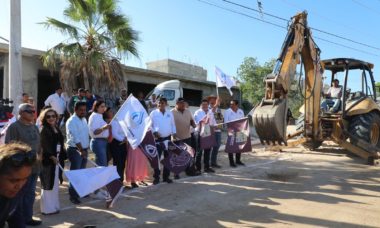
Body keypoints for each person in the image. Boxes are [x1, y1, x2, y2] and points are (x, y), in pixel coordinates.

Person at [5, 103, 41, 226]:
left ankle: (28, 217)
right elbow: (10, 147)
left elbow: (39, 145)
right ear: (21, 113)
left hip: (35, 166)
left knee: (30, 194)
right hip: (21, 169)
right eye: (29, 111)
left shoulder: (34, 127)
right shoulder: (14, 127)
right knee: (18, 195)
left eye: (34, 111)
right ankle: (18, 221)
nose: (33, 113)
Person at [0, 143, 36, 228]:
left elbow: (15, 215)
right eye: (13, 180)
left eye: (25, 178)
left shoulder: (19, 189)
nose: (20, 186)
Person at [39, 108, 66, 215]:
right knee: (47, 184)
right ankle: (47, 209)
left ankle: (54, 207)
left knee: (54, 184)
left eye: (53, 116)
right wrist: (51, 156)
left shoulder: (56, 128)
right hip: (48, 161)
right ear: (44, 118)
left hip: (57, 158)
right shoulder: (44, 129)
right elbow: (44, 145)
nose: (51, 118)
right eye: (48, 116)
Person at [65, 101, 89, 204]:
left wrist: (85, 150)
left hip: (84, 149)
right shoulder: (71, 121)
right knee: (75, 173)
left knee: (82, 173)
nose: (83, 112)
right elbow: (75, 137)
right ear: (75, 110)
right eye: (81, 110)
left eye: (84, 110)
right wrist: (81, 150)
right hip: (76, 150)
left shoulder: (84, 120)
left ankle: (81, 191)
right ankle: (73, 195)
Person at [150, 97, 176, 185]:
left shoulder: (169, 113)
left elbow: (173, 124)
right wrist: (154, 132)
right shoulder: (153, 113)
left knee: (168, 158)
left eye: (162, 103)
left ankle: (166, 177)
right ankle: (156, 177)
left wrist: (174, 133)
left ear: (166, 104)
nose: (160, 104)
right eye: (159, 103)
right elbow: (149, 125)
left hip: (168, 138)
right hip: (158, 139)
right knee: (157, 159)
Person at [171, 98, 200, 178]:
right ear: (176, 103)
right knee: (176, 156)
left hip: (187, 137)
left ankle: (190, 171)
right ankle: (176, 173)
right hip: (176, 138)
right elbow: (169, 124)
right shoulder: (171, 113)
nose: (183, 105)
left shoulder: (187, 111)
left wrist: (193, 124)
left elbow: (191, 120)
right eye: (181, 103)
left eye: (184, 103)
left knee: (189, 155)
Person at [104, 108, 127, 182]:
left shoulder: (120, 120)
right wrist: (122, 139)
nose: (113, 112)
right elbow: (114, 134)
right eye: (110, 111)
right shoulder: (112, 122)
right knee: (118, 163)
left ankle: (121, 180)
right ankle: (117, 181)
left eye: (113, 111)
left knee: (122, 163)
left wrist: (125, 138)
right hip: (116, 144)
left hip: (123, 143)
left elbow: (124, 131)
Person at [193, 99, 216, 173]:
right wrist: (207, 117)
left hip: (208, 133)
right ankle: (198, 168)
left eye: (206, 104)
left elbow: (213, 122)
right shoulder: (197, 112)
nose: (205, 106)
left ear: (208, 105)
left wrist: (214, 129)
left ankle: (207, 167)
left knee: (208, 150)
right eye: (203, 104)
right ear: (201, 105)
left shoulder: (210, 112)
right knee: (199, 152)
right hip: (200, 133)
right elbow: (198, 122)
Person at [88, 100, 110, 167]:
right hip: (98, 142)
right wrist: (104, 128)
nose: (104, 108)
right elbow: (95, 132)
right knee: (102, 165)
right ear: (97, 107)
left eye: (104, 106)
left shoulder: (99, 115)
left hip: (101, 142)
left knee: (101, 164)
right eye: (102, 106)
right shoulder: (95, 116)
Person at [224, 100, 245, 167]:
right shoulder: (227, 111)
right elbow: (226, 122)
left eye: (233, 104)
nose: (231, 105)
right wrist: (229, 130)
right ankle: (231, 162)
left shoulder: (241, 111)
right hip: (231, 131)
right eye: (230, 104)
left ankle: (238, 160)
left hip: (240, 131)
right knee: (231, 147)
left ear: (237, 105)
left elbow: (243, 121)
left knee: (239, 146)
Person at [207, 95, 223, 168]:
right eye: (212, 99)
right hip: (210, 131)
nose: (213, 100)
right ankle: (207, 163)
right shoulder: (207, 108)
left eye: (215, 99)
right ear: (209, 100)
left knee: (217, 146)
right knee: (209, 147)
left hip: (217, 131)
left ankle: (213, 162)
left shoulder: (218, 109)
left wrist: (219, 126)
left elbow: (219, 120)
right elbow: (208, 116)